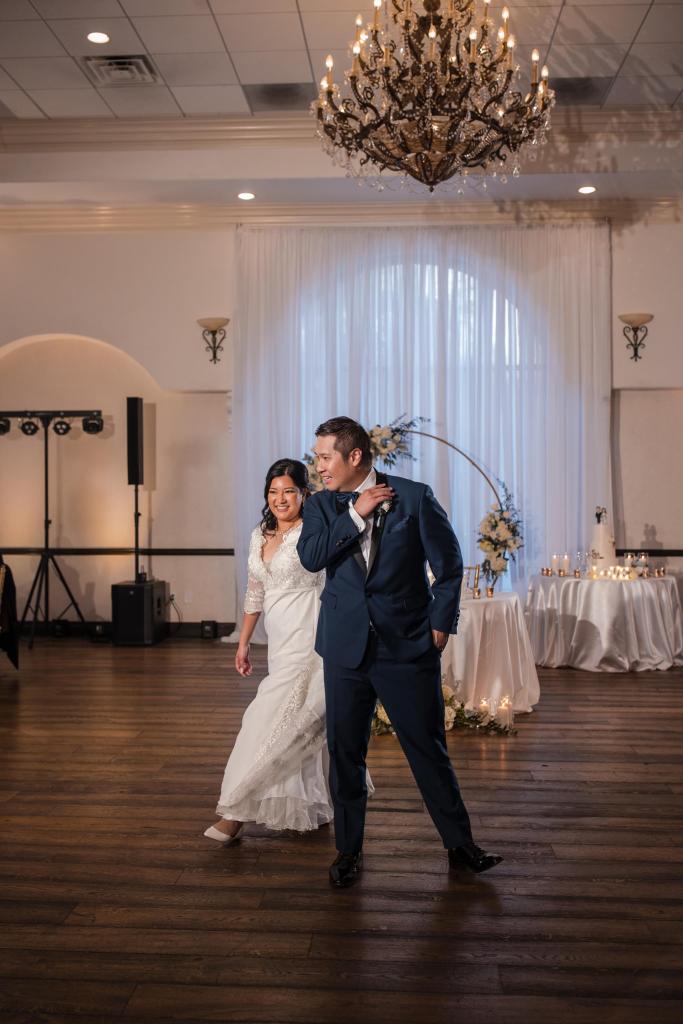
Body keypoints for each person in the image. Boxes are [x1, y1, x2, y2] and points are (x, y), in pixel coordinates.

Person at [298, 417, 502, 887]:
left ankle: (460, 845)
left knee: (427, 749)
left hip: (406, 645)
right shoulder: (322, 505)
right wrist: (356, 514)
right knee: (345, 753)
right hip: (344, 648)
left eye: (325, 457)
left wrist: (440, 623)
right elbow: (311, 558)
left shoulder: (414, 497)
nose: (319, 465)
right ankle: (348, 850)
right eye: (317, 457)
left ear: (354, 456)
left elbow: (449, 566)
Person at [205, 458, 333, 843]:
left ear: (304, 494)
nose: (281, 498)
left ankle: (234, 812)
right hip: (279, 644)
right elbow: (255, 591)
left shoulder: (314, 531)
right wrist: (244, 642)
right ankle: (314, 804)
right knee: (294, 722)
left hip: (311, 638)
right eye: (274, 491)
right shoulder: (259, 534)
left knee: (271, 720)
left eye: (289, 491)